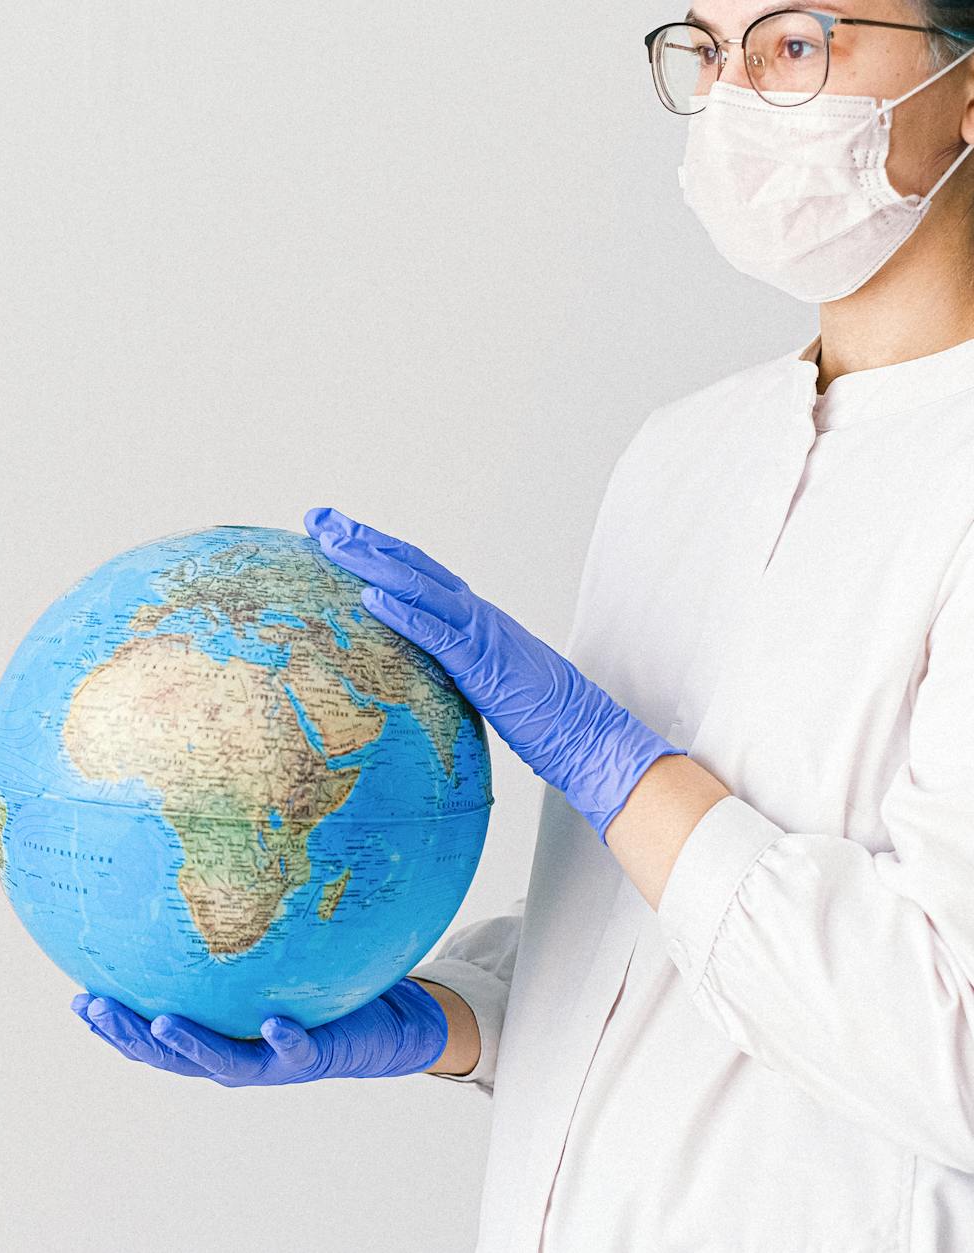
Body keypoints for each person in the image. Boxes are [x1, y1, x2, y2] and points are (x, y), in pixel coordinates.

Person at [69, 3, 974, 1248]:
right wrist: (455, 1012)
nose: (729, 98)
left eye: (793, 43)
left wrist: (621, 767)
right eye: (705, 51)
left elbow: (948, 1039)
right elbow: (653, 944)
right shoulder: (681, 456)